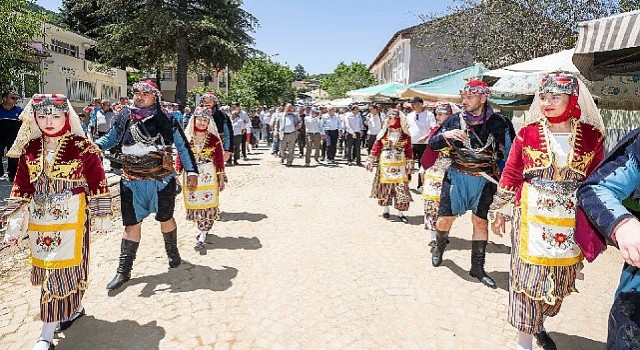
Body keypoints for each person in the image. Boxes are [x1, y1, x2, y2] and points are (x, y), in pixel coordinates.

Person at [487, 72, 604, 350]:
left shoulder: (592, 136)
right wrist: (501, 208)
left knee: (558, 281)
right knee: (525, 279)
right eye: (543, 97)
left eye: (555, 97)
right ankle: (523, 341)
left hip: (569, 222)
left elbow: (599, 179)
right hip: (530, 218)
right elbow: (513, 171)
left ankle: (538, 323)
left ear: (572, 99)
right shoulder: (527, 133)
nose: (547, 102)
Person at [2, 94, 112, 350]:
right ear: (34, 118)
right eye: (42, 116)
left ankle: (46, 335)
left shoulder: (82, 147)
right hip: (41, 223)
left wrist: (102, 213)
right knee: (56, 270)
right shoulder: (30, 148)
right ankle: (74, 308)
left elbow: (97, 180)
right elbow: (21, 186)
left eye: (55, 115)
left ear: (66, 116)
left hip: (72, 219)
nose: (48, 121)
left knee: (61, 271)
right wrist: (16, 223)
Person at [94, 80, 199, 291]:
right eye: (136, 93)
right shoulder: (124, 115)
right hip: (131, 182)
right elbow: (112, 137)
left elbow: (182, 145)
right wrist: (95, 146)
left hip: (161, 181)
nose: (139, 96)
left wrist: (192, 171)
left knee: (165, 218)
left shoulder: (167, 119)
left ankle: (173, 253)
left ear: (155, 97)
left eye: (145, 93)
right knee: (131, 224)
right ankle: (123, 271)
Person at [428, 80, 514, 289]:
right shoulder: (453, 120)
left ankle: (477, 267)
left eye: (469, 97)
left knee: (480, 223)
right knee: (444, 221)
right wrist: (445, 135)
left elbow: (512, 154)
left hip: (485, 180)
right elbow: (432, 144)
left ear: (483, 98)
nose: (464, 101)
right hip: (456, 176)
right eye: (463, 97)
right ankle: (439, 246)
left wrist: (506, 185)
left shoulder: (499, 122)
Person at [175, 107, 225, 250]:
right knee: (196, 203)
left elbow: (219, 160)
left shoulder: (214, 139)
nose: (203, 123)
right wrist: (176, 173)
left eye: (205, 120)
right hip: (192, 175)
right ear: (194, 120)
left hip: (208, 175)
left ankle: (203, 233)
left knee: (208, 204)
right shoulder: (187, 138)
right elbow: (180, 156)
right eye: (200, 119)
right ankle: (202, 228)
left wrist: (221, 177)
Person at [365, 109, 413, 223]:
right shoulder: (383, 133)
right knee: (385, 188)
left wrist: (410, 163)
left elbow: (409, 150)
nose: (388, 120)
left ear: (397, 119)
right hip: (385, 165)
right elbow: (376, 147)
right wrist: (370, 160)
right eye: (388, 117)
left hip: (400, 166)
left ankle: (401, 212)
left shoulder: (405, 135)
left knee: (401, 188)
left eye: (391, 118)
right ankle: (386, 209)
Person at [421, 103, 454, 247]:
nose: (438, 116)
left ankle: (444, 233)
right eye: (437, 114)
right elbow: (429, 152)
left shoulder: (456, 133)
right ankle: (433, 237)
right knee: (431, 205)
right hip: (434, 171)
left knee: (447, 207)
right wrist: (423, 166)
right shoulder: (434, 130)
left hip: (449, 173)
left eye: (441, 114)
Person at [406, 97, 437, 190]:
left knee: (422, 164)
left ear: (420, 104)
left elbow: (433, 128)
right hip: (411, 142)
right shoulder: (409, 115)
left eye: (414, 104)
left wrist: (426, 137)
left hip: (424, 143)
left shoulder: (429, 115)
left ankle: (421, 184)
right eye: (411, 104)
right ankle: (407, 180)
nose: (412, 106)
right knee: (408, 163)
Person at [0, 91, 23, 181]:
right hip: (0, 137)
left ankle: (12, 175)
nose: (15, 100)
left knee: (13, 157)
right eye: (13, 98)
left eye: (16, 98)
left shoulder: (19, 111)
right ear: (5, 98)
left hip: (13, 137)